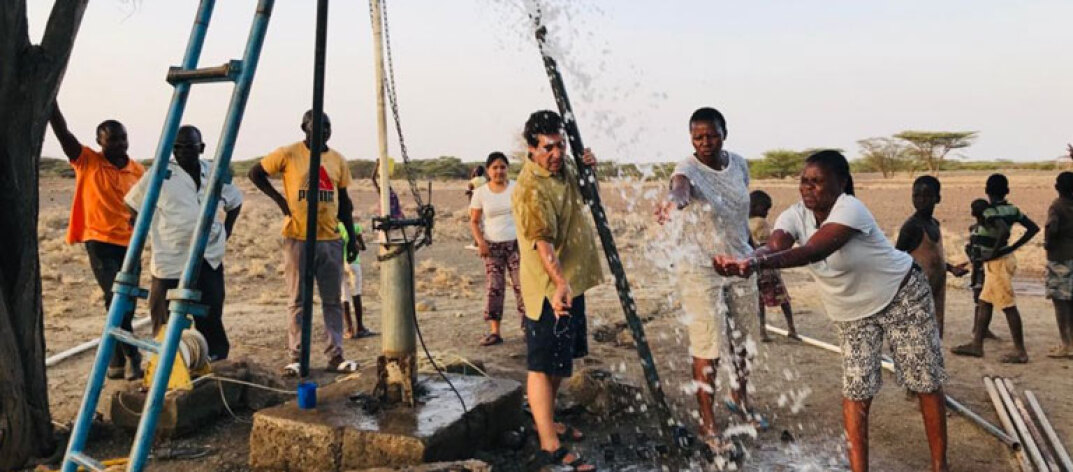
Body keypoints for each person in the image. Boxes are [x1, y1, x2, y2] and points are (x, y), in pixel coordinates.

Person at [714, 150, 949, 472]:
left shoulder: (850, 209)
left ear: (841, 183)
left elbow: (814, 250)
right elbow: (775, 245)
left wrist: (755, 262)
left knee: (924, 380)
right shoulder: (794, 215)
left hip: (901, 295)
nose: (808, 188)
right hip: (852, 312)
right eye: (804, 182)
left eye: (817, 182)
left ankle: (940, 466)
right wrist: (751, 258)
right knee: (856, 389)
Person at [654, 107, 764, 452]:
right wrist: (674, 202)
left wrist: (750, 249)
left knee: (744, 340)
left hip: (740, 261)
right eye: (698, 137)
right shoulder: (686, 169)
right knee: (709, 346)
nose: (705, 142)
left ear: (724, 133)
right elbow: (680, 190)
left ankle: (740, 398)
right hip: (701, 267)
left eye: (711, 135)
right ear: (691, 138)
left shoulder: (740, 165)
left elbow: (740, 213)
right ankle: (708, 423)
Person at [513, 110, 600, 471]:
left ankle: (545, 416)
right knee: (542, 364)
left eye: (560, 145)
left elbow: (589, 194)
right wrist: (560, 283)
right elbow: (542, 244)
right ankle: (549, 443)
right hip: (550, 289)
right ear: (531, 149)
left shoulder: (563, 170)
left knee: (561, 364)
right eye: (548, 147)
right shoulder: (531, 188)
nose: (556, 153)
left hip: (571, 282)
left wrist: (589, 167)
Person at [247, 110, 361, 376]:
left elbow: (344, 202)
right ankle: (297, 356)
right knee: (298, 300)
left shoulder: (337, 160)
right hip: (298, 237)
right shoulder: (288, 154)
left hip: (330, 238)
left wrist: (351, 238)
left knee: (331, 299)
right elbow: (256, 173)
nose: (323, 131)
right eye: (317, 127)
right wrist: (281, 202)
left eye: (328, 127)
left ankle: (336, 355)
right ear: (304, 128)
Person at [124, 125, 242, 361]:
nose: (184, 152)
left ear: (201, 148)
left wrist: (225, 231)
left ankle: (214, 361)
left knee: (210, 314)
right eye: (178, 147)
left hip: (208, 256)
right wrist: (148, 230)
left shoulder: (214, 172)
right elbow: (133, 205)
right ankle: (164, 365)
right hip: (171, 256)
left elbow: (235, 201)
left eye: (190, 147)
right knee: (165, 317)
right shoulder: (160, 174)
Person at [50, 103, 147, 380]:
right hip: (99, 240)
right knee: (117, 295)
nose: (119, 144)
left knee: (122, 299)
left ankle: (115, 358)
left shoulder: (137, 171)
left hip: (130, 243)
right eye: (112, 139)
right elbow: (63, 133)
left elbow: (145, 204)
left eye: (123, 137)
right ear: (99, 142)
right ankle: (133, 356)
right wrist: (52, 105)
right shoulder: (87, 161)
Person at [952, 174, 1039, 363]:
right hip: (1001, 260)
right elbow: (1033, 228)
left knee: (1008, 305)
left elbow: (1003, 230)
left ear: (987, 191)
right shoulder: (1012, 209)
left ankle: (1020, 351)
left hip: (997, 262)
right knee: (984, 301)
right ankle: (977, 344)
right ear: (1007, 191)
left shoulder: (990, 211)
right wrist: (1012, 247)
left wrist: (994, 250)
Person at [894, 176, 968, 338]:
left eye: (927, 196)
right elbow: (896, 259)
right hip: (916, 294)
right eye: (916, 196)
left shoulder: (934, 224)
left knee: (934, 335)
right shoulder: (911, 227)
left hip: (936, 291)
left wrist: (950, 268)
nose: (921, 200)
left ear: (938, 198)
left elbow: (933, 258)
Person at [469, 152, 524, 346]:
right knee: (495, 287)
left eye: (502, 167)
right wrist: (481, 242)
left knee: (522, 286)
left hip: (517, 244)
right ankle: (495, 332)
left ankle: (529, 328)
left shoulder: (516, 188)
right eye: (495, 167)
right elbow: (474, 221)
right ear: (488, 170)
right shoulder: (481, 192)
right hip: (492, 246)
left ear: (507, 169)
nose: (499, 171)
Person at [749, 190, 799, 342]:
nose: (766, 213)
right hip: (768, 266)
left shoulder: (745, 223)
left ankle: (762, 331)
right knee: (782, 298)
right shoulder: (761, 223)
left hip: (754, 267)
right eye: (765, 209)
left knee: (760, 301)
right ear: (757, 207)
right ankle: (791, 328)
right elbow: (767, 245)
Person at [964, 199, 1006, 341]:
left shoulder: (974, 229)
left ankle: (981, 328)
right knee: (983, 299)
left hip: (978, 267)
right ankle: (979, 329)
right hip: (983, 267)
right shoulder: (989, 229)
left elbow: (969, 248)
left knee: (983, 298)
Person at [1044, 171, 1073, 358]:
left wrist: (1048, 243)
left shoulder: (1057, 206)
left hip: (1060, 257)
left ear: (1057, 188)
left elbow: (1051, 227)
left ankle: (1066, 344)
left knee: (1060, 302)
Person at [338, 221, 372, 339]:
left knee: (344, 296)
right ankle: (360, 327)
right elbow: (363, 247)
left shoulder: (336, 227)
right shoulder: (355, 226)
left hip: (341, 264)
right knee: (356, 294)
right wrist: (358, 244)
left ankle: (349, 329)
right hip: (354, 263)